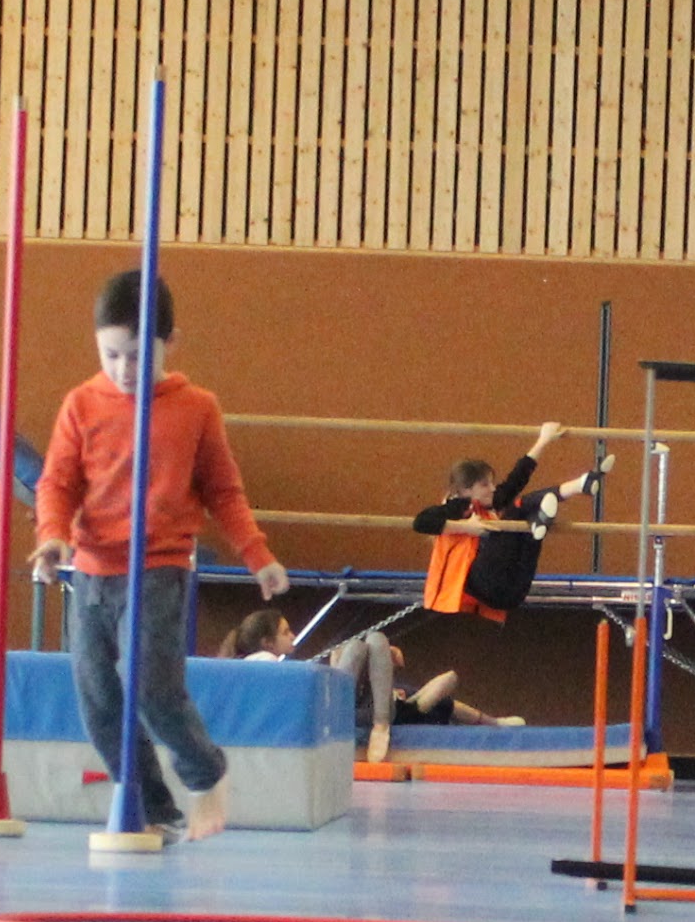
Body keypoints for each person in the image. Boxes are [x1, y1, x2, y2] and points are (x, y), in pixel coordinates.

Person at [34, 270, 283, 835]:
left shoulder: (195, 408)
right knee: (98, 702)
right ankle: (152, 810)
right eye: (111, 355)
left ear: (171, 343)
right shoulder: (81, 404)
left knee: (152, 689)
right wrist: (52, 536)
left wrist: (256, 554)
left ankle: (205, 771)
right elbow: (57, 482)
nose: (124, 369)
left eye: (137, 356)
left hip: (157, 571)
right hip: (92, 573)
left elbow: (223, 490)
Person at [218, 604, 510, 757]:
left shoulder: (258, 663)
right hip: (338, 715)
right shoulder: (264, 663)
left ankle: (381, 723)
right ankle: (382, 725)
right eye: (285, 632)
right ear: (267, 642)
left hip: (348, 710)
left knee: (364, 645)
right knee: (370, 643)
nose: (293, 635)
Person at [409, 425, 610, 621]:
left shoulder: (489, 502)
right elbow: (421, 522)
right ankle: (571, 491)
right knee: (517, 512)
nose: (492, 488)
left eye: (492, 483)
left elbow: (516, 479)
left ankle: (568, 496)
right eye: (485, 484)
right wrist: (467, 527)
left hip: (511, 593)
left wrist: (543, 440)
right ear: (465, 490)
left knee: (527, 521)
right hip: (482, 585)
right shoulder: (457, 507)